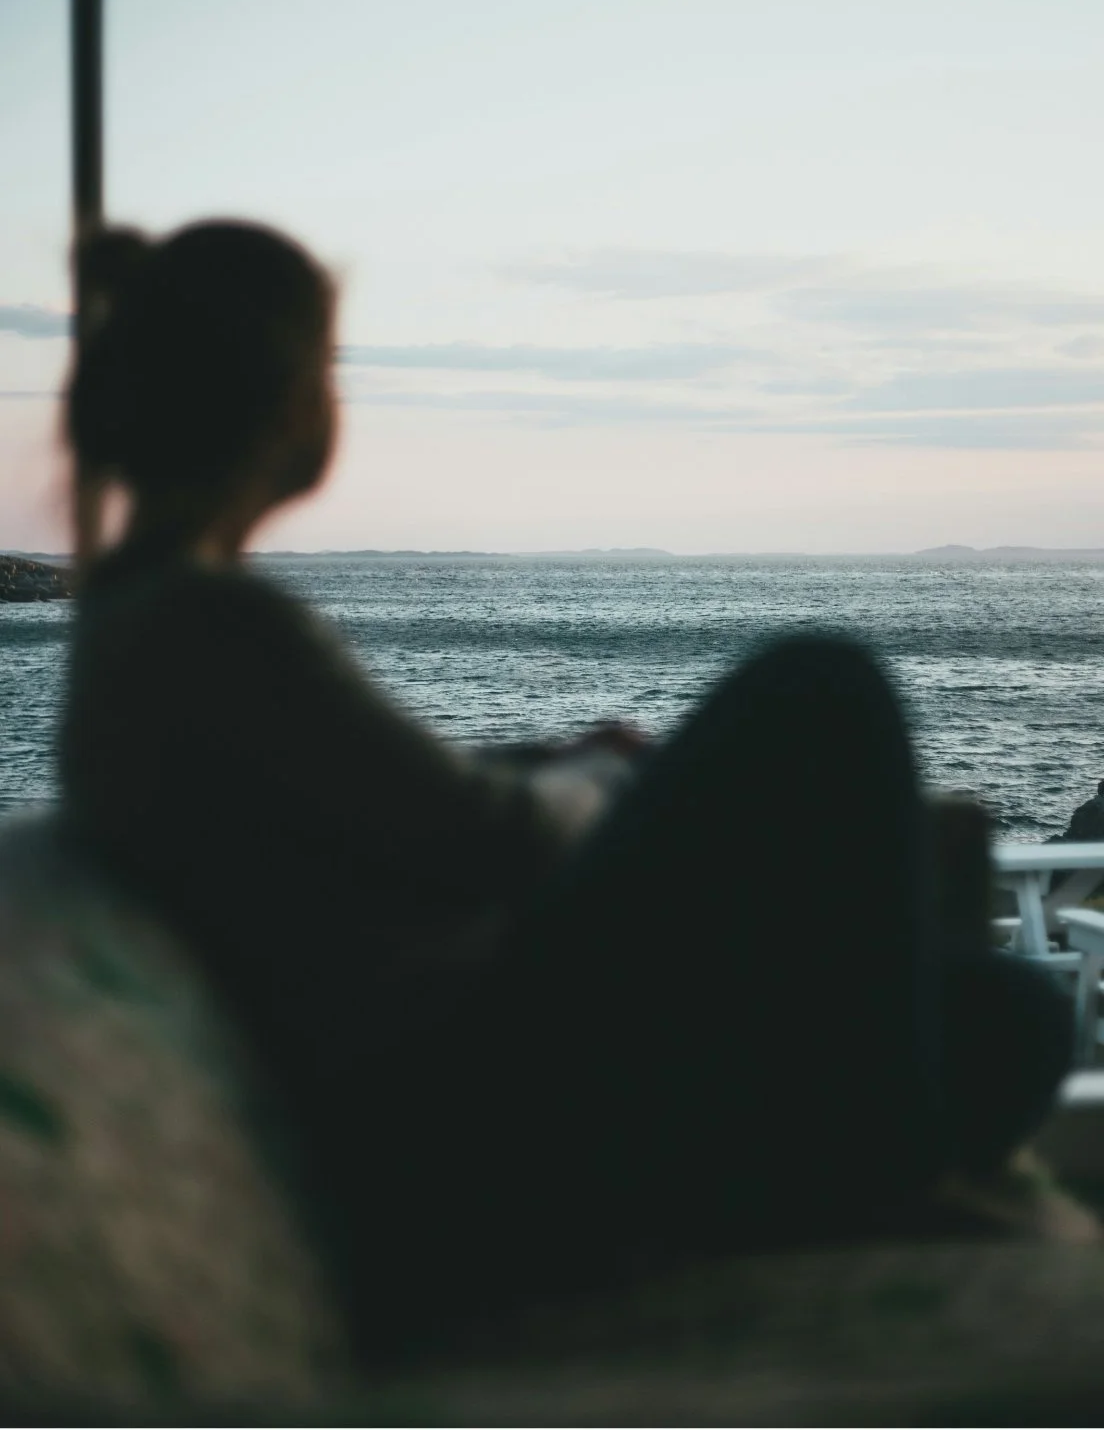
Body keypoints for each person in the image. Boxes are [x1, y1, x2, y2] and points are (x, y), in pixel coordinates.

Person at [59, 219, 1075, 1363]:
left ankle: (824, 1164)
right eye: (327, 372)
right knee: (819, 685)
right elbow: (495, 845)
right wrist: (605, 776)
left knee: (1010, 1015)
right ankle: (833, 1185)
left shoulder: (140, 630)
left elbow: (373, 807)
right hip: (462, 1116)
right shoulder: (213, 626)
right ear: (290, 402)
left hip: (443, 1075)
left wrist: (550, 766)